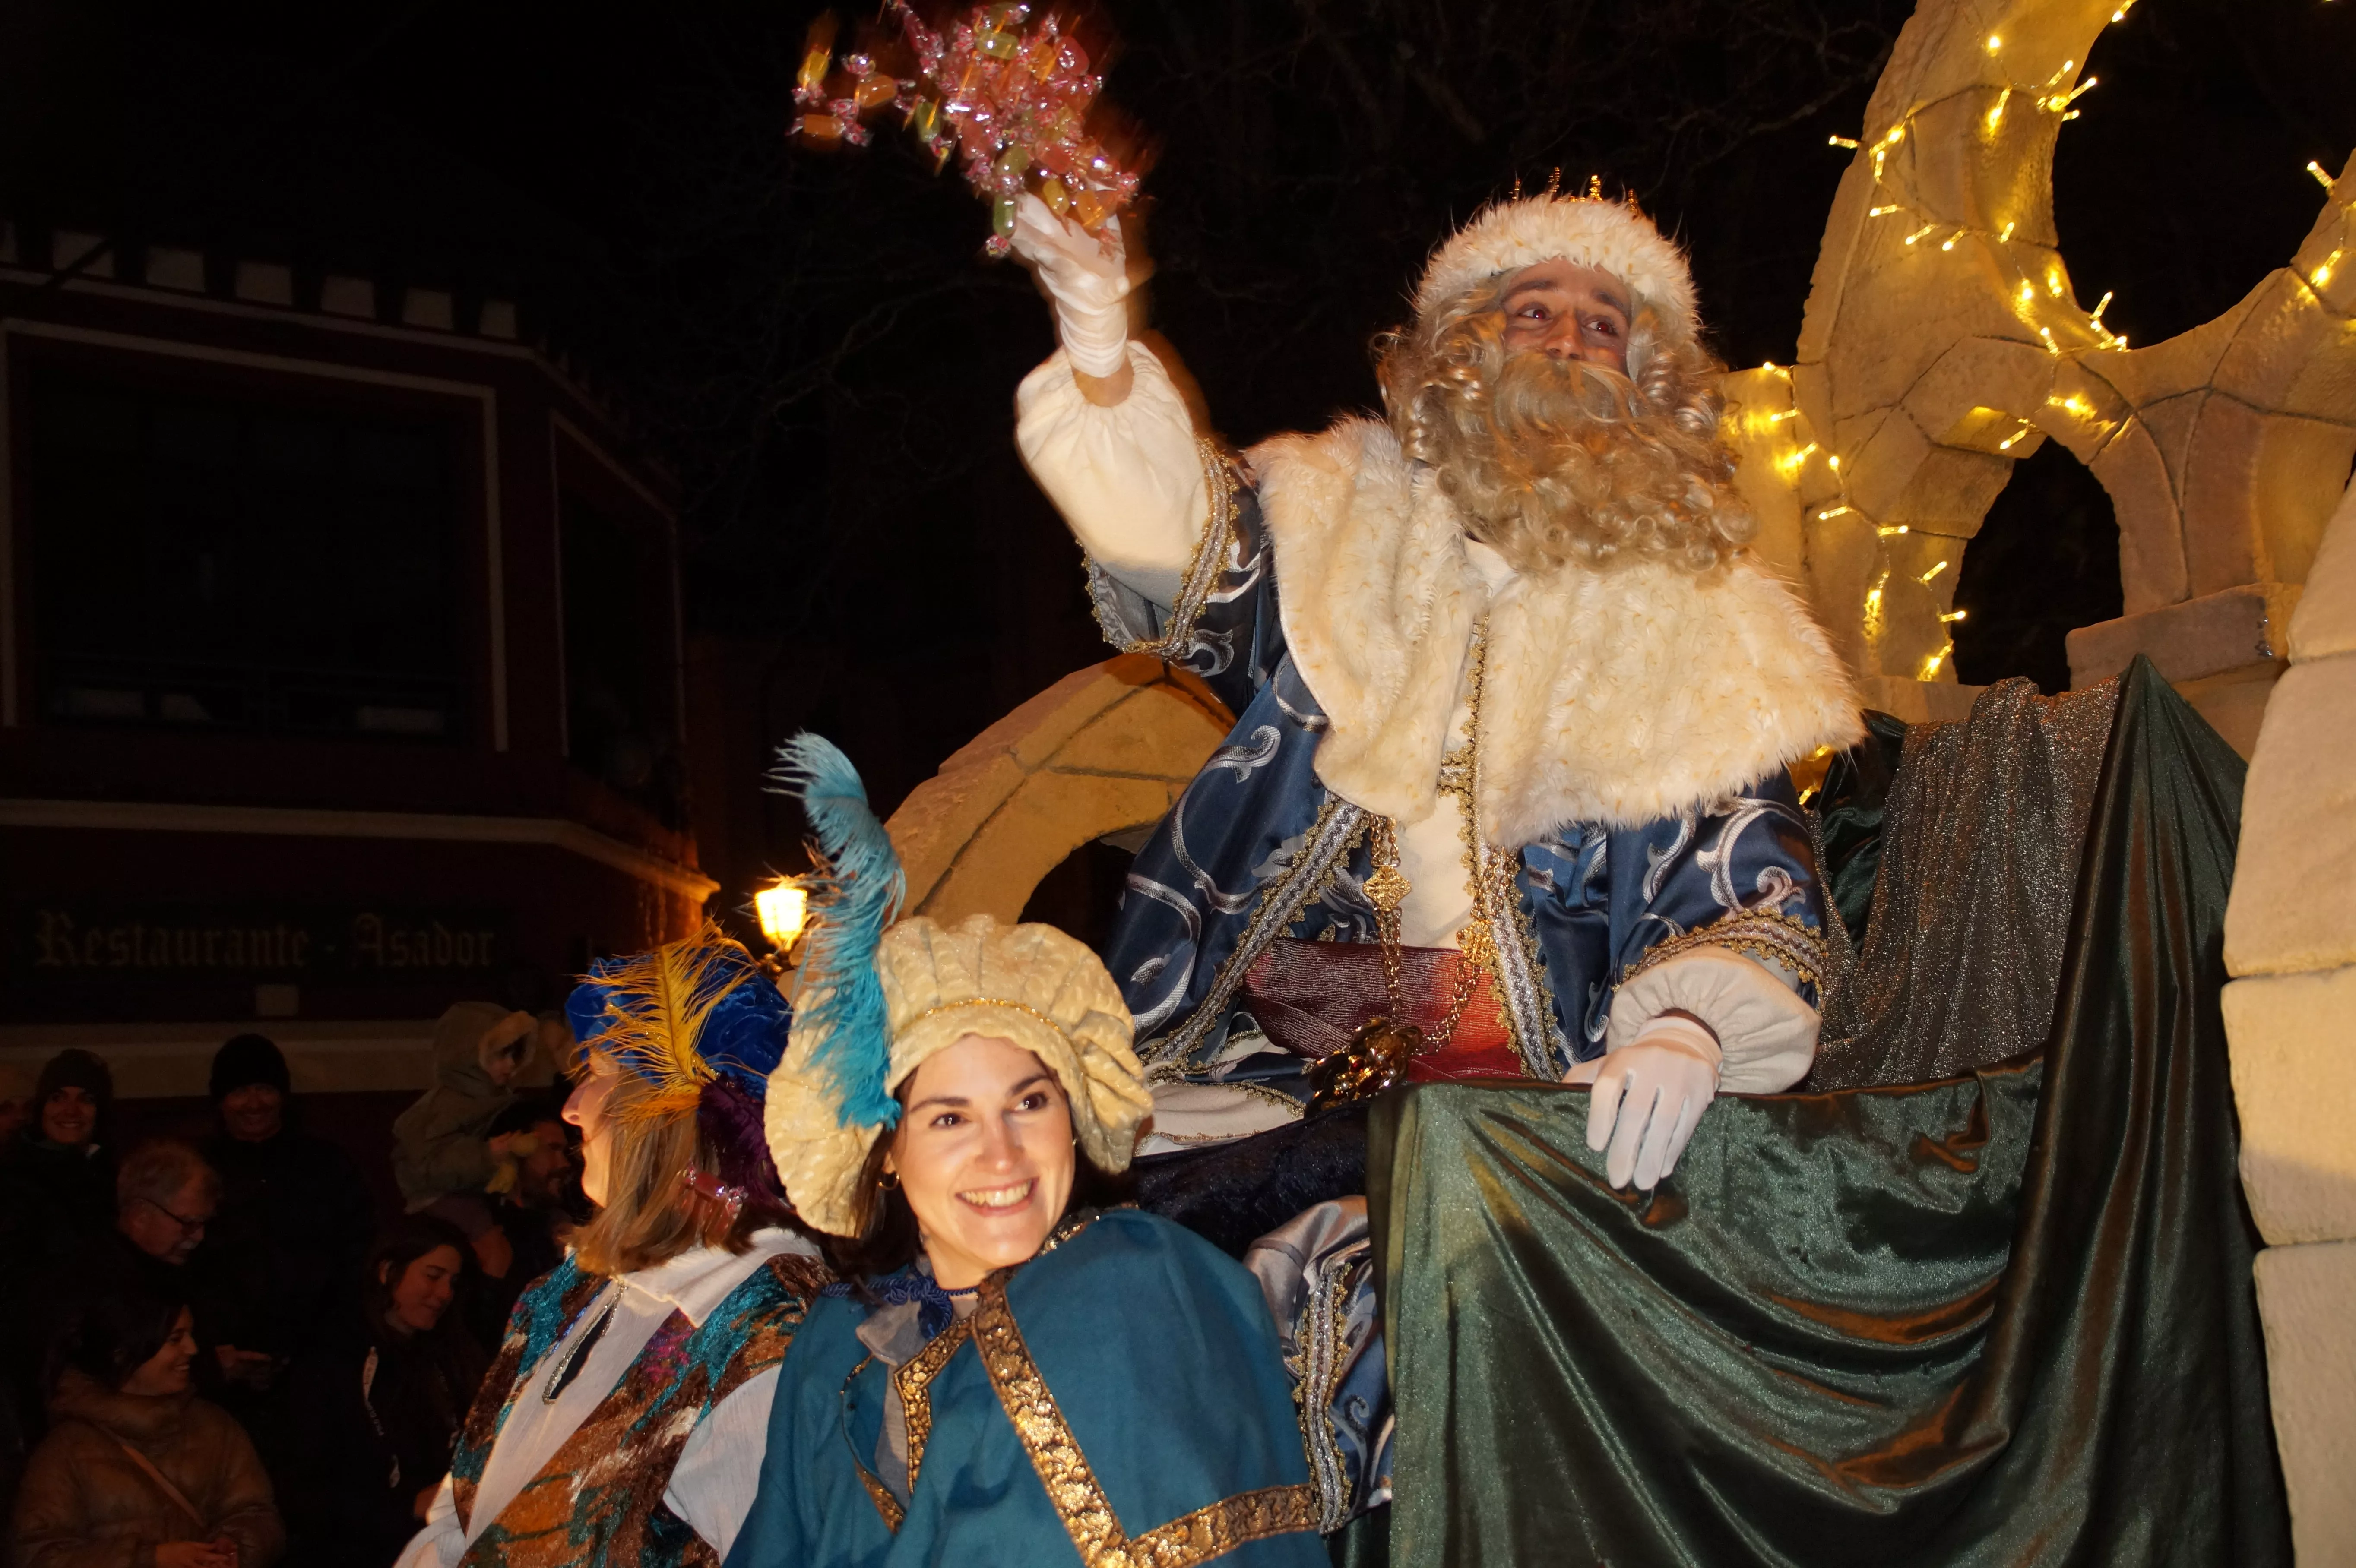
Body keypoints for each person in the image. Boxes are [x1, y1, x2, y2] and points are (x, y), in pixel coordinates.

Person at [1009, 187, 1862, 1189]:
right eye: (1533, 308)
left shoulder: (1715, 623)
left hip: (1544, 1095)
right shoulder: (1335, 522)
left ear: (1645, 380)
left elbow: (1738, 871)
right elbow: (1182, 544)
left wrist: (1689, 1023)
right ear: (1464, 348)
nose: (1568, 341)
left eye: (1603, 322)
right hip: (1270, 1074)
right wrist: (1103, 361)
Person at [731, 736, 1324, 1567]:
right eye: (948, 1119)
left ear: (1075, 1116)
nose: (1002, 1154)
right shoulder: (833, 1344)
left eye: (1029, 1102)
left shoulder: (1134, 1286)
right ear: (886, 1151)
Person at [395, 928, 827, 1568]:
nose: (570, 1109)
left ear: (666, 1122)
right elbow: (456, 1521)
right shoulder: (566, 1291)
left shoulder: (767, 1333)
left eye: (593, 1075)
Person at [196, 1034, 377, 1471]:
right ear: (220, 1102)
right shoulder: (198, 1170)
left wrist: (318, 1347)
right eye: (239, 1090)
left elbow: (356, 1256)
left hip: (319, 1366)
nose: (253, 1102)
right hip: (219, 1373)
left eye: (265, 1088)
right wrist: (213, 1351)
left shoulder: (326, 1163)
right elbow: (188, 1269)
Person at [9, 1283, 283, 1567]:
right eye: (176, 1339)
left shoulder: (215, 1427)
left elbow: (256, 1512)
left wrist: (232, 1548)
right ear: (124, 1353)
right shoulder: (67, 1450)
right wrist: (150, 1560)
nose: (193, 1349)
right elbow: (35, 1555)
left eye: (190, 1335)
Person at [283, 1217, 487, 1567]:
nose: (444, 1295)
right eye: (433, 1276)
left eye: (452, 1283)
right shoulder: (334, 1362)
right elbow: (307, 1495)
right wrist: (407, 1506)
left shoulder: (446, 1355)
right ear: (388, 1271)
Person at [390, 1004, 557, 1249]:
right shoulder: (445, 1105)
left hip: (474, 1191)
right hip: (439, 1196)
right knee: (491, 1241)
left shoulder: (492, 1100)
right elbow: (431, 1161)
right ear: (468, 1055)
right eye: (500, 1055)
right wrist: (486, 1155)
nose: (510, 1065)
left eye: (515, 1054)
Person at [462, 1097, 580, 1352]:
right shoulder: (480, 1229)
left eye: (565, 1152)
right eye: (552, 1149)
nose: (564, 1164)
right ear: (518, 1151)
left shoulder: (559, 1227)